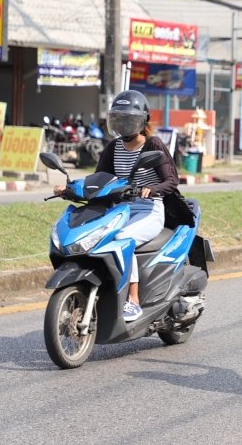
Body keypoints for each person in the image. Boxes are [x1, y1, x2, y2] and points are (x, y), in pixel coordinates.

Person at [53, 90, 180, 322]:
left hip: (148, 210)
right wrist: (70, 189)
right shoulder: (114, 147)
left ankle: (134, 300)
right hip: (119, 209)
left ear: (142, 121)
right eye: (119, 119)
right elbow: (98, 179)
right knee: (98, 234)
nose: (123, 125)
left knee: (122, 237)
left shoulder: (153, 144)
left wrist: (153, 190)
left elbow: (172, 180)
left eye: (129, 119)